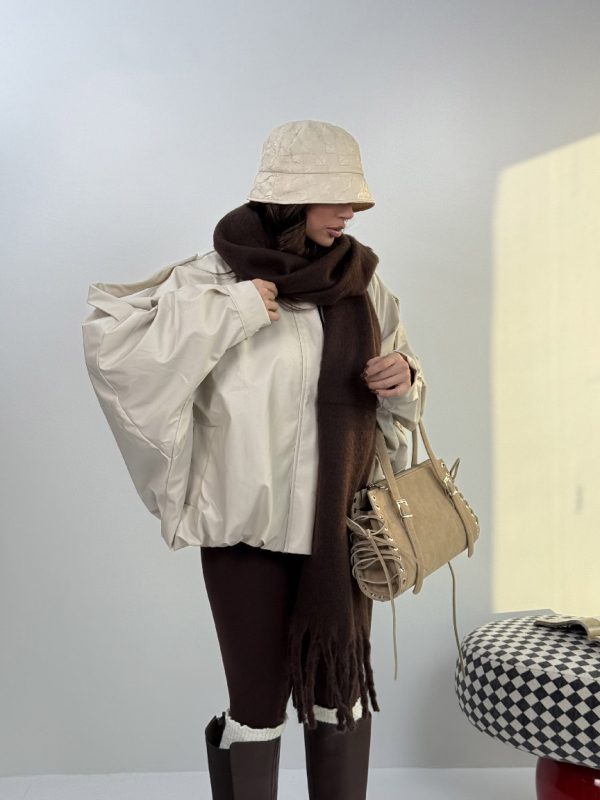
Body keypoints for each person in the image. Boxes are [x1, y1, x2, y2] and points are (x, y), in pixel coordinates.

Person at [82, 119, 426, 800]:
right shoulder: (213, 280)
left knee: (339, 699)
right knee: (256, 709)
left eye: (355, 198)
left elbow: (401, 397)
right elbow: (121, 362)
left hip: (343, 535)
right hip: (246, 533)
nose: (351, 211)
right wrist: (230, 313)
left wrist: (406, 378)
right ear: (290, 198)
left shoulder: (364, 286)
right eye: (336, 196)